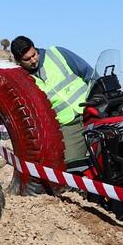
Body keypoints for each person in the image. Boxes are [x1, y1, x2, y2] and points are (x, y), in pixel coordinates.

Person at [10, 35, 95, 169]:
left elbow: (88, 73)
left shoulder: (57, 53)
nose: (33, 60)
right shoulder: (24, 80)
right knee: (72, 167)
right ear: (18, 60)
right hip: (67, 125)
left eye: (34, 54)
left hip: (91, 111)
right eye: (27, 59)